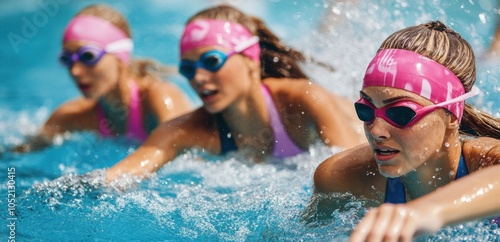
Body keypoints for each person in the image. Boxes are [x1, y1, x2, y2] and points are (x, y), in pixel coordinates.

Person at [311, 21, 500, 242]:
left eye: (401, 114)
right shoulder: (342, 179)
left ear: (452, 116)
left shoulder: (488, 160)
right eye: (366, 111)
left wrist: (426, 211)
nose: (376, 131)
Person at [104, 4, 364, 181]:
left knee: (326, 39)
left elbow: (362, 169)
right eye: (188, 68)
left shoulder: (305, 100)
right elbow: (120, 176)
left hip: (357, 118)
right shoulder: (186, 130)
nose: (198, 77)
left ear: (251, 60)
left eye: (211, 61)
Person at [13, 4, 193, 152]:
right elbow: (18, 156)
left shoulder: (160, 97)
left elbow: (185, 157)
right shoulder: (74, 115)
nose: (75, 71)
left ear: (120, 57)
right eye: (67, 59)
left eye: (88, 57)